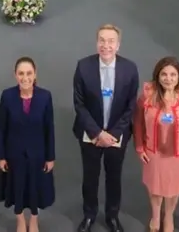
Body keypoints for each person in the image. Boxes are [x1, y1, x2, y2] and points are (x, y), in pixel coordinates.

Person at [73, 24, 139, 232]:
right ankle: (89, 215)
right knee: (90, 177)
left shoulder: (130, 69)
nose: (106, 45)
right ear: (96, 42)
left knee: (114, 177)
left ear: (118, 45)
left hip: (116, 135)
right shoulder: (83, 66)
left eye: (111, 41)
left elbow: (131, 106)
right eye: (102, 40)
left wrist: (113, 134)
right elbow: (79, 104)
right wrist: (97, 133)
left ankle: (112, 216)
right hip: (90, 134)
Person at [133, 57, 179, 232]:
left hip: (178, 155)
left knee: (173, 189)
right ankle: (156, 217)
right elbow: (138, 122)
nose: (168, 78)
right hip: (153, 153)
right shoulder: (147, 96)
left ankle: (169, 216)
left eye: (173, 74)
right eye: (164, 74)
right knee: (155, 188)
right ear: (157, 76)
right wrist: (140, 147)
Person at [0, 57, 55, 232]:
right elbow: (1, 129)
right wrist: (1, 156)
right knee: (17, 188)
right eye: (21, 73)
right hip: (14, 154)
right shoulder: (7, 96)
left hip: (38, 154)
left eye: (29, 73)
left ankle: (34, 220)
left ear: (35, 74)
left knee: (35, 188)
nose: (25, 78)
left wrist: (50, 157)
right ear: (15, 75)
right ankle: (20, 220)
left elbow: (49, 129)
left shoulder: (45, 97)